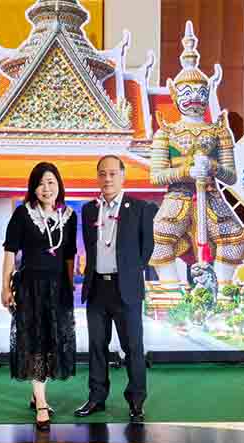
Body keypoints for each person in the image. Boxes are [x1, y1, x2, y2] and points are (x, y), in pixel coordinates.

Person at [75, 155, 156, 423]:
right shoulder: (89, 210)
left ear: (123, 176)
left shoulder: (140, 208)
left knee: (132, 346)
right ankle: (96, 397)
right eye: (102, 173)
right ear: (97, 177)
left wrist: (130, 272)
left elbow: (147, 248)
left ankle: (136, 400)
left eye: (112, 173)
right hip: (97, 288)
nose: (107, 178)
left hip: (126, 289)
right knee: (97, 346)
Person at [1, 162, 77, 430]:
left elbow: (69, 255)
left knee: (51, 342)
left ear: (59, 186)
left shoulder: (69, 216)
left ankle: (37, 395)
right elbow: (10, 251)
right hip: (30, 287)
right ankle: (42, 404)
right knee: (34, 341)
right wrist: (5, 287)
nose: (46, 188)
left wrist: (70, 285)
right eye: (41, 183)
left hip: (58, 288)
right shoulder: (23, 214)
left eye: (51, 182)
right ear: (33, 188)